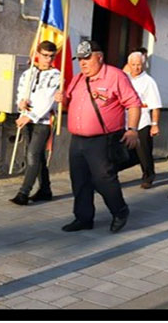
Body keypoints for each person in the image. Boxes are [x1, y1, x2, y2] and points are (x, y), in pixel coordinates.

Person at [54, 40, 141, 233]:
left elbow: (134, 103)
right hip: (77, 139)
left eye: (87, 58)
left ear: (99, 57)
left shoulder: (115, 76)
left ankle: (119, 211)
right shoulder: (78, 79)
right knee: (79, 179)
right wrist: (63, 100)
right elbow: (69, 105)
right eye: (80, 59)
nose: (82, 63)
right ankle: (83, 218)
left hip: (102, 139)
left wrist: (133, 129)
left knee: (104, 179)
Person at [9, 41, 61, 205]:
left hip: (43, 121)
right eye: (45, 55)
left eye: (51, 56)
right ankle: (45, 190)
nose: (48, 59)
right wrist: (20, 104)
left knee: (32, 155)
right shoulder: (27, 73)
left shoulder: (56, 75)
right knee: (35, 156)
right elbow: (20, 91)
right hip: (26, 119)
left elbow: (47, 100)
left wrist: (30, 116)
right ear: (37, 54)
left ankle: (23, 193)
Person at [124, 50, 162, 189]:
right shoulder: (124, 78)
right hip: (125, 120)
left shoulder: (149, 81)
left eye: (139, 64)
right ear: (129, 64)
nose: (136, 68)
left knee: (144, 151)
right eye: (133, 64)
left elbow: (155, 105)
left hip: (142, 120)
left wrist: (155, 124)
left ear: (144, 65)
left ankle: (148, 175)